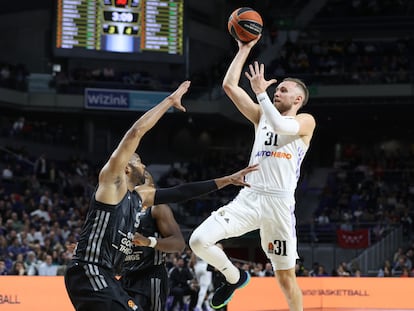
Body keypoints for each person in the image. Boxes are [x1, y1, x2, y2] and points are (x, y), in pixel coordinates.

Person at [64, 81, 259, 311]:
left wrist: (226, 180)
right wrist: (168, 101)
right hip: (90, 269)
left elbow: (181, 192)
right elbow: (135, 132)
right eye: (138, 162)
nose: (144, 165)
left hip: (106, 275)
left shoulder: (139, 198)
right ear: (126, 167)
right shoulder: (111, 183)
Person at [189, 36, 316, 311]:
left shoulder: (305, 121)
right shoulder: (261, 116)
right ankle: (234, 278)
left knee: (285, 278)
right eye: (275, 90)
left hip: (280, 205)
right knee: (198, 241)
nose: (276, 92)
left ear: (298, 98)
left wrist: (260, 92)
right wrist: (244, 49)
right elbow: (229, 86)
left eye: (282, 90)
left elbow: (283, 127)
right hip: (249, 198)